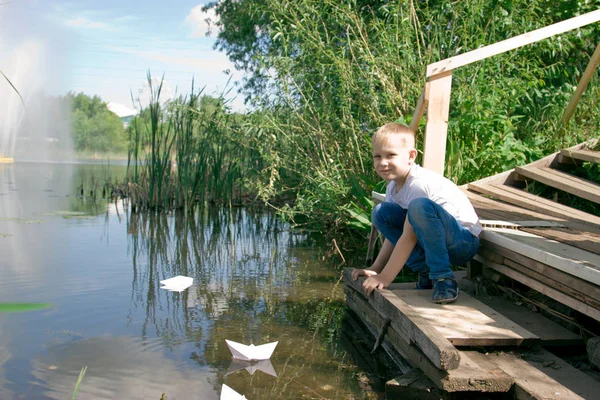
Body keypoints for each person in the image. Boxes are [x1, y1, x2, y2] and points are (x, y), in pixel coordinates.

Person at [351, 122, 482, 303]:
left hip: (462, 242)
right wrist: (377, 268)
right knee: (381, 212)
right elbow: (394, 234)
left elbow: (408, 237)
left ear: (411, 156)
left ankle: (443, 278)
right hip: (437, 240)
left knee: (419, 207)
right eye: (377, 156)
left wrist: (386, 277)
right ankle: (427, 272)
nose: (382, 163)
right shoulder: (393, 187)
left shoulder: (418, 184)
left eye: (391, 155)